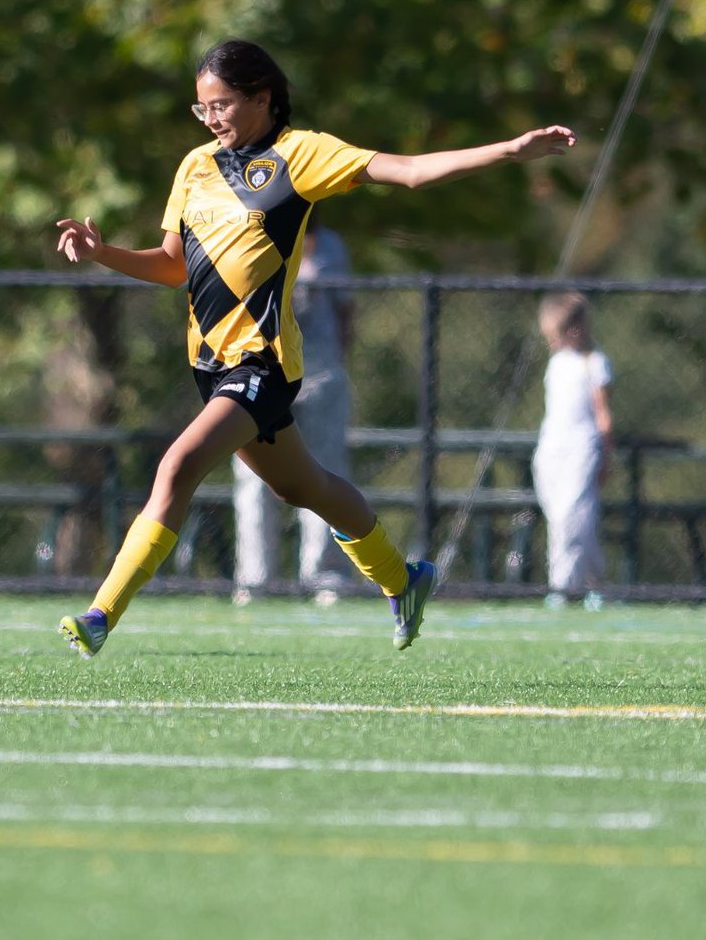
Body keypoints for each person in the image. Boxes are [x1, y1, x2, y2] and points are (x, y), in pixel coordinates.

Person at [55, 38, 576, 658]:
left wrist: (511, 150)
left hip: (260, 365)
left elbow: (408, 172)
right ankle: (403, 580)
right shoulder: (195, 166)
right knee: (304, 489)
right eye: (202, 109)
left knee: (177, 466)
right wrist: (101, 254)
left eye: (220, 105)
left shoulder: (301, 155)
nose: (211, 118)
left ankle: (99, 615)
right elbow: (172, 266)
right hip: (209, 365)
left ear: (261, 98)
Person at [231, 210, 359, 600]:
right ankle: (256, 579)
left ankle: (326, 576)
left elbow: (346, 311)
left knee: (325, 473)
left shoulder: (332, 246)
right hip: (261, 378)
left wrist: (335, 362)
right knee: (254, 480)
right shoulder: (247, 242)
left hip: (319, 378)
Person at [532, 291, 614, 607]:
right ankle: (595, 583)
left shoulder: (595, 363)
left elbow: (603, 414)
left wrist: (606, 455)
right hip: (551, 448)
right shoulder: (556, 364)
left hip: (582, 448)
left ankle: (562, 587)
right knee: (560, 518)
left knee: (573, 517)